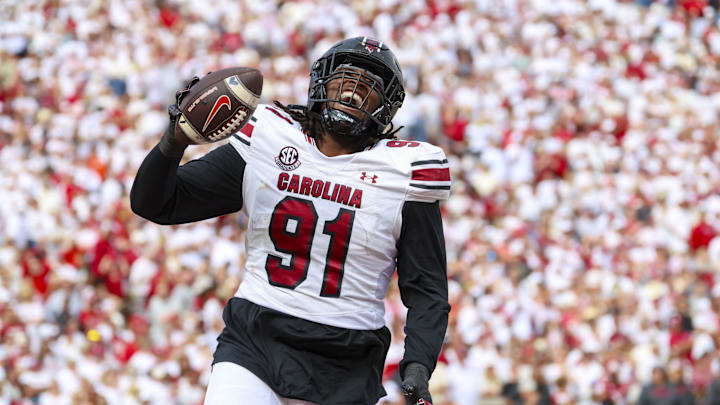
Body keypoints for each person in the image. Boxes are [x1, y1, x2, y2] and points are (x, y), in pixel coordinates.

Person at [130, 37, 451, 405]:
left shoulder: (404, 171)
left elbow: (427, 288)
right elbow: (156, 203)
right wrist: (173, 143)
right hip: (257, 341)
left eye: (367, 91)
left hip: (347, 359)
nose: (351, 96)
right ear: (319, 83)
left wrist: (418, 365)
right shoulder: (270, 135)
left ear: (387, 108)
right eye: (344, 82)